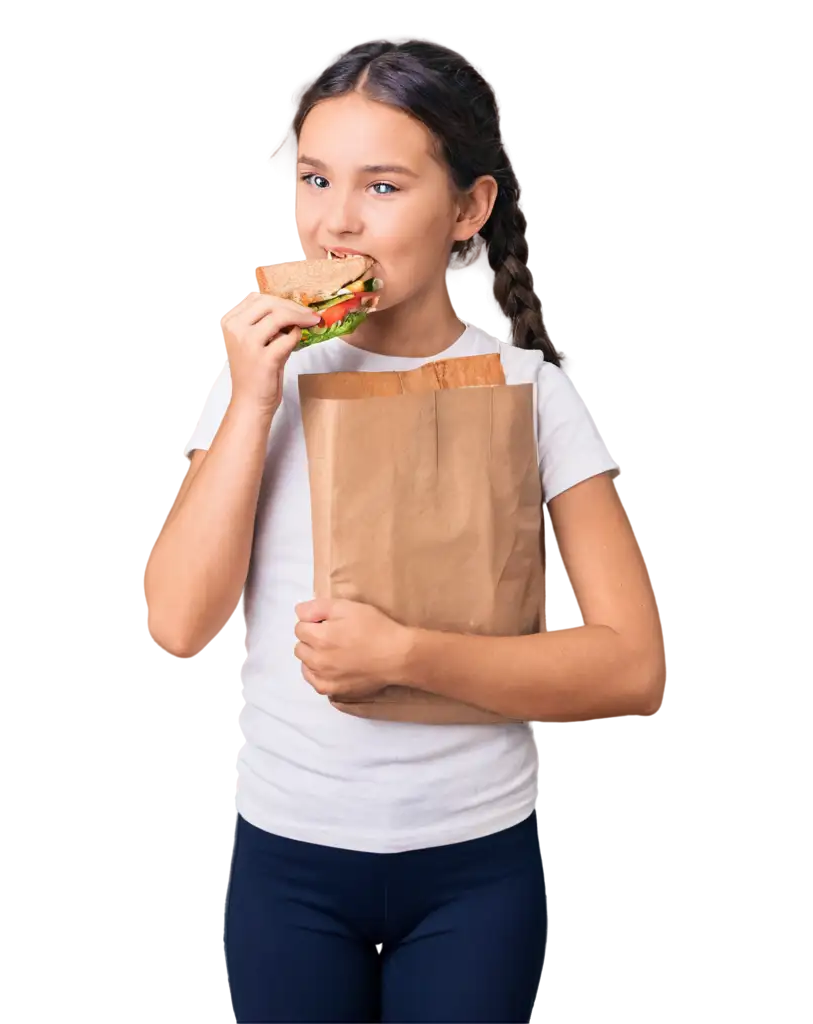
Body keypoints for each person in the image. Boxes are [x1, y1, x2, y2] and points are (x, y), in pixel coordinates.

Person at [142, 37, 662, 1024]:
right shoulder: (255, 379)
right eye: (315, 178)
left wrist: (406, 653)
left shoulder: (532, 394)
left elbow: (628, 664)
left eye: (382, 186)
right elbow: (176, 622)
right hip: (286, 860)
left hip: (474, 869)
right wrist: (255, 397)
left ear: (467, 210)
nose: (336, 220)